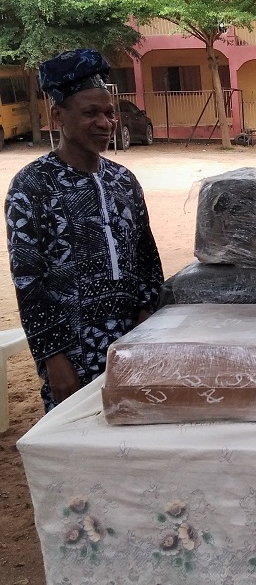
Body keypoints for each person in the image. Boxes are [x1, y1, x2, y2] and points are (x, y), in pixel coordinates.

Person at [5, 49, 163, 412]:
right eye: (90, 113)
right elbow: (29, 280)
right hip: (71, 352)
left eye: (109, 113)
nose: (105, 123)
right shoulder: (31, 186)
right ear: (57, 115)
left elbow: (146, 259)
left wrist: (144, 329)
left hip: (131, 344)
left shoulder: (123, 180)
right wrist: (53, 359)